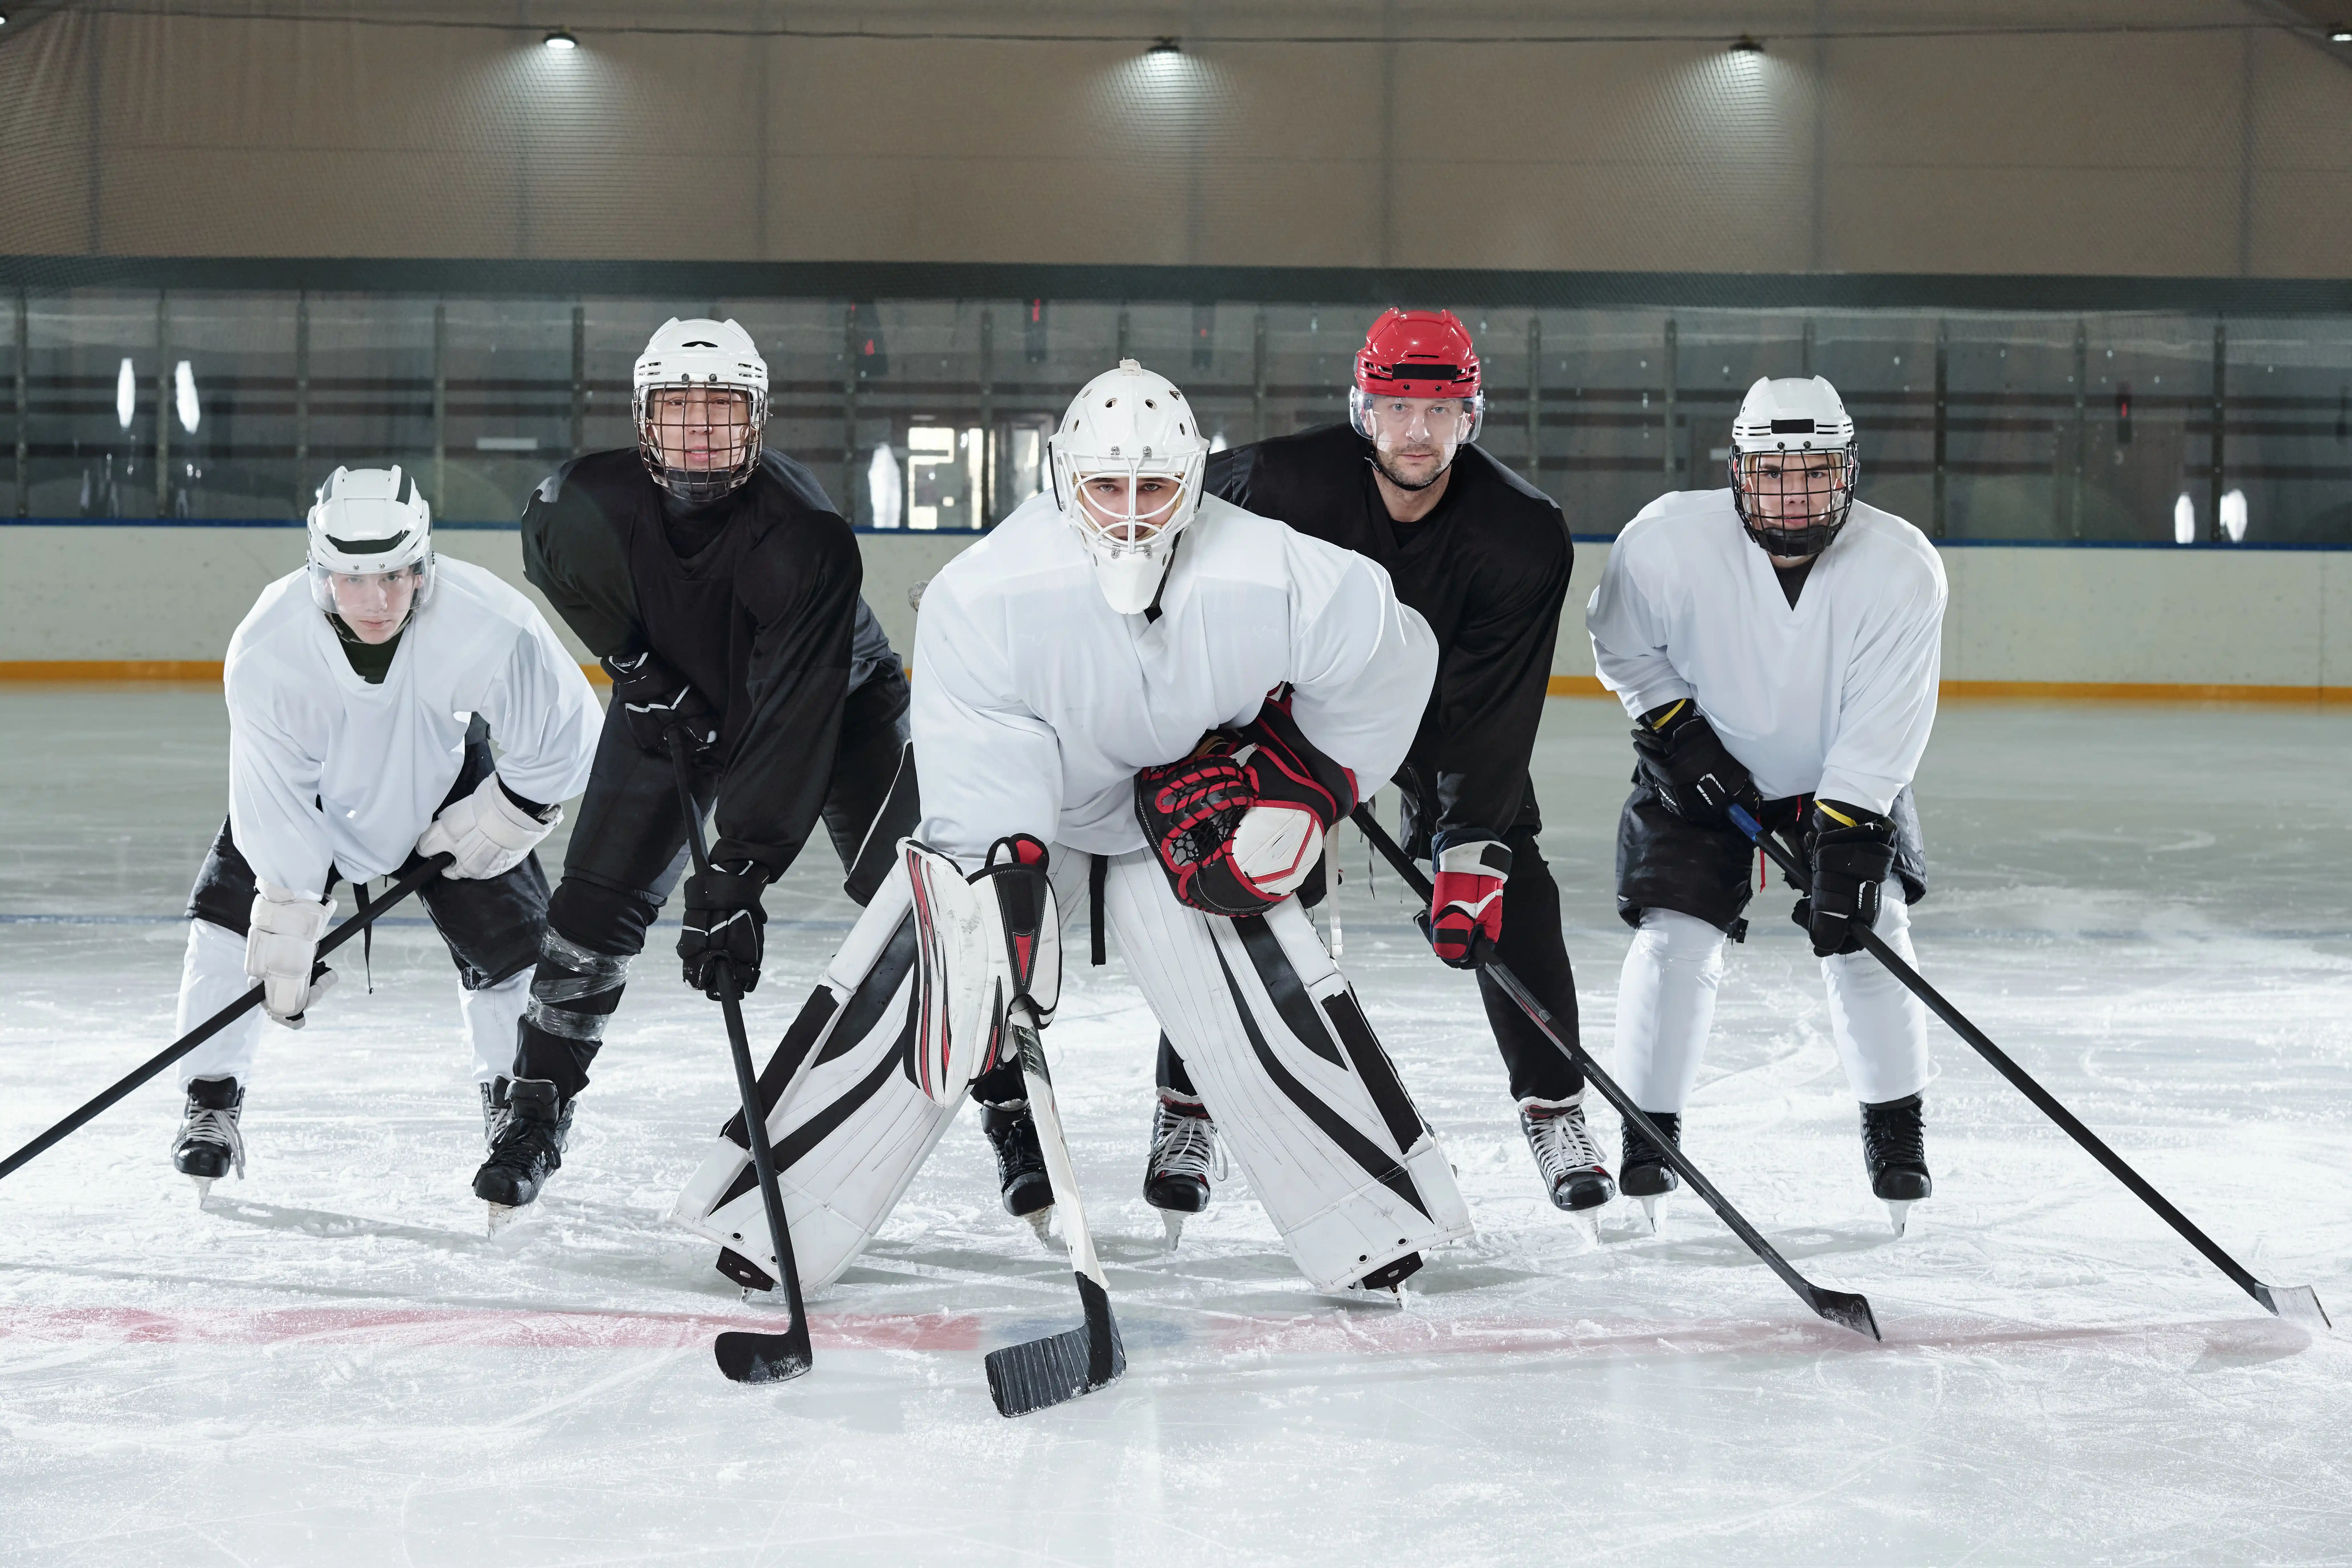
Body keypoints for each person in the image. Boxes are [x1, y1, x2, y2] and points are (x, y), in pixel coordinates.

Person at [672, 359, 1472, 1297]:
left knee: (1257, 981)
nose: (1129, 512)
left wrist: (1299, 780)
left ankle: (1371, 1223)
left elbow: (1391, 656)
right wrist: (1002, 879)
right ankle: (773, 1223)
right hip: (1025, 812)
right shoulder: (986, 593)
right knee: (938, 973)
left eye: (1154, 487)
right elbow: (979, 757)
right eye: (1105, 485)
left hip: (1175, 810)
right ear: (1060, 476)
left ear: (1194, 481)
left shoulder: (1274, 576)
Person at [995, 308, 1607, 1234]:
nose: (1415, 431)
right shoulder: (1276, 483)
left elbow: (1494, 710)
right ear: (1362, 410)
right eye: (1397, 407)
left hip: (1437, 719)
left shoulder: (1521, 533)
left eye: (1438, 411)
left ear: (1470, 417)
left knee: (1513, 885)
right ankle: (1188, 1109)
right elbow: (1168, 555)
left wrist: (1470, 848)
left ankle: (1556, 1109)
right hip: (1279, 713)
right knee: (1242, 878)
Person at [480, 317, 916, 1230]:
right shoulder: (578, 504)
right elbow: (553, 562)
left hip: (836, 707)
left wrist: (740, 873)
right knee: (589, 910)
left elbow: (792, 719)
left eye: (722, 410)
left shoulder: (805, 539)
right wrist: (635, 669)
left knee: (919, 904)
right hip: (676, 698)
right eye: (680, 410)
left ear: (756, 420)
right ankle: (535, 1108)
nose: (701, 432)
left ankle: (1003, 1104)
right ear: (645, 418)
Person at [167, 466, 600, 1199]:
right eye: (353, 579)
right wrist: (289, 905)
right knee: (225, 927)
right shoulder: (269, 647)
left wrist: (507, 812)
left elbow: (566, 730)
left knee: (514, 954)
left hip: (450, 787)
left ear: (424, 563)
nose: (377, 600)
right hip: (310, 799)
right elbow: (270, 794)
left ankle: (519, 1114)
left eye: (397, 575)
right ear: (320, 572)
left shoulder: (485, 620)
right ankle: (210, 1102)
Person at [1585, 375, 1947, 1233]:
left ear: (1848, 471)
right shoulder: (1667, 540)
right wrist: (1679, 737)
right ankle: (1649, 1136)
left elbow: (1887, 721)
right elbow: (1623, 646)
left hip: (1843, 780)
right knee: (1674, 940)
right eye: (1774, 473)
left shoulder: (1902, 568)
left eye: (1814, 471)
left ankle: (1897, 1136)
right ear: (1739, 473)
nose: (1794, 495)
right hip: (1703, 771)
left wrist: (1852, 837)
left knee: (1872, 933)